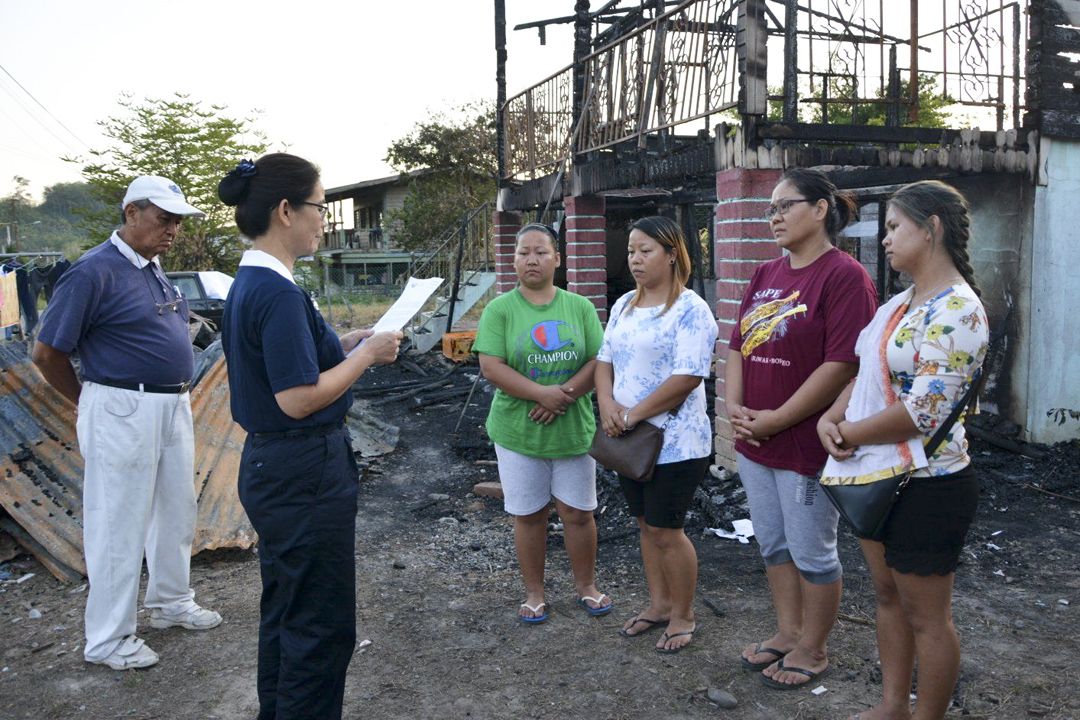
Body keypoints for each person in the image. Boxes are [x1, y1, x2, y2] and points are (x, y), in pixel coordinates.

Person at [217, 154, 401, 720]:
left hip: (278, 468)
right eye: (320, 206)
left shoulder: (254, 282)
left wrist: (340, 344)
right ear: (284, 210)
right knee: (320, 626)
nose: (325, 219)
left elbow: (289, 365)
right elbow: (297, 398)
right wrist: (366, 357)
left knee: (288, 611)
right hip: (302, 470)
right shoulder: (275, 293)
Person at [32, 176, 222, 670]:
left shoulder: (151, 267)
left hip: (170, 403)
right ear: (132, 212)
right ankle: (109, 639)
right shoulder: (93, 271)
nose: (173, 229)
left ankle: (170, 602)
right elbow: (47, 352)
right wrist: (88, 400)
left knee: (175, 509)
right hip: (121, 405)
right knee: (117, 523)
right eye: (164, 218)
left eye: (177, 220)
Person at [818, 181, 988, 720]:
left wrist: (850, 434)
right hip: (881, 474)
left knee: (927, 618)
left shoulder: (959, 311)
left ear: (931, 226)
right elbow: (869, 372)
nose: (885, 239)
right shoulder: (901, 302)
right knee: (888, 599)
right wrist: (832, 416)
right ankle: (893, 706)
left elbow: (923, 412)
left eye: (894, 227)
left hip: (930, 485)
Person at [725, 168, 877, 688]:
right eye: (770, 209)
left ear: (819, 209)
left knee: (812, 551)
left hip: (805, 443)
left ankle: (813, 648)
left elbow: (841, 364)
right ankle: (788, 632)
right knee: (772, 543)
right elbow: (738, 347)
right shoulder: (765, 273)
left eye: (785, 206)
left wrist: (778, 418)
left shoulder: (844, 276)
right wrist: (736, 407)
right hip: (754, 440)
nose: (774, 218)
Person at [473, 223, 612, 623]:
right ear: (513, 260)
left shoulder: (579, 307)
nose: (531, 259)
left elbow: (598, 361)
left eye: (540, 251)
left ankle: (586, 586)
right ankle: (534, 592)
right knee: (529, 514)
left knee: (578, 513)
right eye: (522, 253)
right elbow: (491, 366)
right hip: (518, 432)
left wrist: (561, 396)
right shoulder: (501, 309)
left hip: (572, 427)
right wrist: (540, 394)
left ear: (557, 259)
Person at [595, 215, 718, 653]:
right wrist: (608, 406)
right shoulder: (626, 303)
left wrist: (631, 416)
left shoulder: (690, 309)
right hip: (629, 441)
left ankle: (684, 615)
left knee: (668, 530)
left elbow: (686, 376)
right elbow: (604, 360)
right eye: (631, 251)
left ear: (671, 254)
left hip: (676, 442)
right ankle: (660, 604)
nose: (635, 259)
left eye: (645, 250)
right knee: (645, 526)